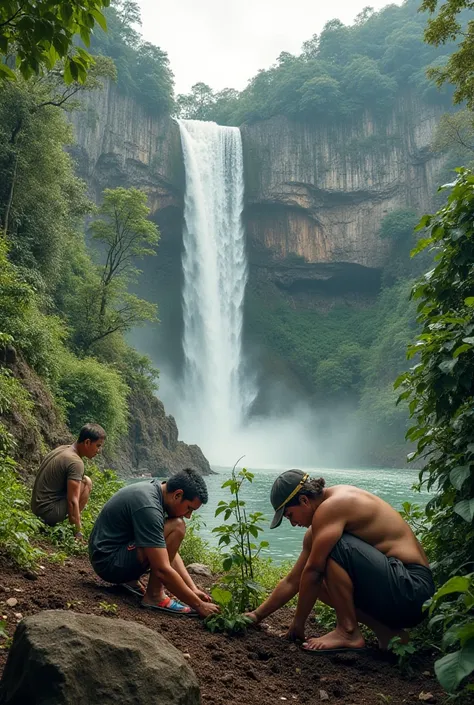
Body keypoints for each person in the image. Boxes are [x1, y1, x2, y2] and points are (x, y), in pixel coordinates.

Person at [246, 470, 435, 653]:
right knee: (312, 581)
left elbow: (314, 570)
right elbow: (294, 580)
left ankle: (347, 630)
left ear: (304, 501)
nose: (292, 523)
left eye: (289, 515)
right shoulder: (325, 519)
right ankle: (386, 632)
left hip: (413, 589)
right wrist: (256, 615)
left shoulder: (332, 506)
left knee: (328, 554)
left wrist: (298, 624)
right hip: (399, 589)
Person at [89, 468, 220, 619]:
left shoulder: (155, 491)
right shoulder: (149, 506)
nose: (189, 515)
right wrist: (199, 605)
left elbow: (163, 548)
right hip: (109, 563)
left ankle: (130, 581)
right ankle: (155, 595)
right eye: (189, 508)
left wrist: (193, 589)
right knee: (178, 525)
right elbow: (162, 569)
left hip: (108, 555)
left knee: (164, 539)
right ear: (178, 495)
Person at [31, 423, 105, 540]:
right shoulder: (75, 462)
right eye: (98, 446)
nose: (99, 451)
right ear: (87, 442)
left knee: (83, 479)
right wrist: (78, 532)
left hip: (37, 508)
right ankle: (68, 526)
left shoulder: (64, 449)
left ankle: (64, 522)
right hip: (47, 512)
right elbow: (72, 501)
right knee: (87, 483)